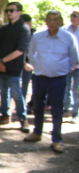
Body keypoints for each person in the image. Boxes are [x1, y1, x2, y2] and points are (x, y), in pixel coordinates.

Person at [24, 10, 79, 153]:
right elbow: (31, 53)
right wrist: (38, 66)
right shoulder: (38, 36)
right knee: (37, 106)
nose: (53, 22)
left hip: (59, 78)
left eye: (56, 19)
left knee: (57, 109)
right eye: (50, 19)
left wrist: (64, 69)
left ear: (61, 22)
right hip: (40, 76)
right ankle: (37, 133)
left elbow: (74, 57)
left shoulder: (68, 38)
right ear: (46, 21)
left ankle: (56, 139)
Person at [0, 1, 30, 132]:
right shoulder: (4, 28)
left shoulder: (24, 29)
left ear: (19, 12)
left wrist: (2, 61)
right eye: (7, 10)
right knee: (3, 92)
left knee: (17, 94)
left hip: (14, 67)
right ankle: (4, 114)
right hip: (0, 67)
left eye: (12, 10)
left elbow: (20, 50)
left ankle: (22, 118)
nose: (9, 13)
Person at [62, 9, 79, 123]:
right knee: (65, 87)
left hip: (78, 66)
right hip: (66, 64)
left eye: (75, 15)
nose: (72, 17)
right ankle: (67, 108)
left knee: (76, 89)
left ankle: (76, 113)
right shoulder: (65, 30)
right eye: (71, 15)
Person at [21, 14, 36, 108]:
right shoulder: (18, 33)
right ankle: (22, 106)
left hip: (34, 63)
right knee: (23, 85)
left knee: (36, 86)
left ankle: (32, 103)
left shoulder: (35, 34)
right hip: (22, 63)